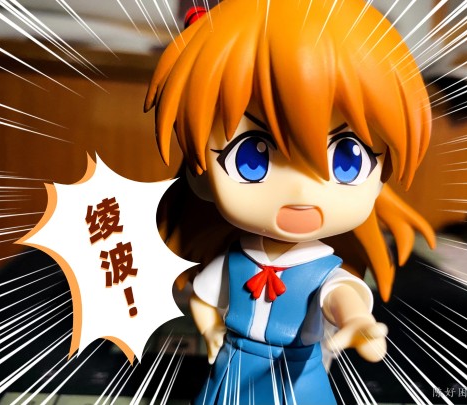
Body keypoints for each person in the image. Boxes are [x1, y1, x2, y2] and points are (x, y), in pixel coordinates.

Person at [145, 0, 435, 403]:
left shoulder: (322, 270)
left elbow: (339, 296)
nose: (302, 191)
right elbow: (203, 296)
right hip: (234, 362)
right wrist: (210, 328)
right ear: (201, 175)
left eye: (348, 160)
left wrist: (357, 322)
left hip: (297, 370)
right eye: (251, 158)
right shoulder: (234, 260)